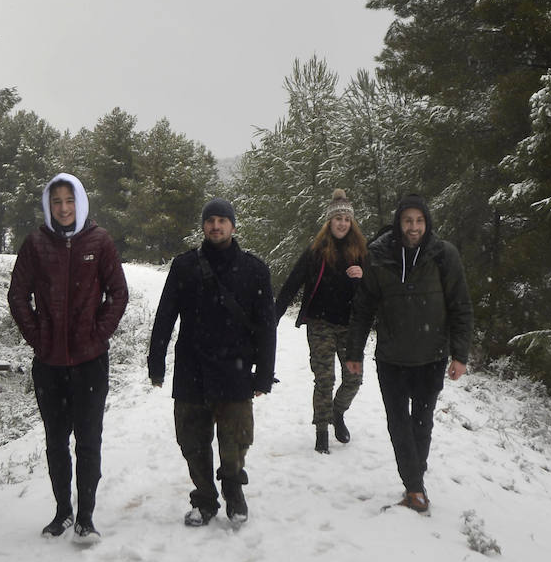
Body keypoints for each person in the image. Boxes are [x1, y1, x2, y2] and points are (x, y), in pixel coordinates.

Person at [7, 173, 128, 541]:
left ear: (80, 202)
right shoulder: (35, 244)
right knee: (56, 441)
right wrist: (38, 337)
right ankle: (62, 511)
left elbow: (118, 294)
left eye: (69, 200)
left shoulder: (99, 241)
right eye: (56, 201)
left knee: (88, 440)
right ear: (48, 205)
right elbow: (18, 296)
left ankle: (86, 517)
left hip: (90, 362)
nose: (63, 208)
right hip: (49, 365)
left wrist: (97, 334)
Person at [147, 197, 277, 526]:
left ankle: (234, 491)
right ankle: (204, 498)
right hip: (192, 368)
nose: (216, 226)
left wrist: (263, 375)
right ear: (203, 226)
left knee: (235, 439)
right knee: (193, 441)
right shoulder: (184, 265)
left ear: (233, 225)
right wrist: (156, 362)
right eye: (210, 220)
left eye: (222, 220)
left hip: (234, 370)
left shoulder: (254, 269)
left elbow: (266, 328)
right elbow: (165, 316)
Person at [345, 194, 472, 514]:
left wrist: (460, 354)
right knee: (398, 424)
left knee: (422, 423)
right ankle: (414, 487)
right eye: (407, 221)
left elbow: (460, 306)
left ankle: (415, 483)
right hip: (391, 360)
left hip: (431, 358)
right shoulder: (378, 256)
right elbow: (362, 309)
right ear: (398, 222)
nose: (413, 227)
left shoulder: (444, 256)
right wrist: (354, 352)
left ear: (426, 223)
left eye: (419, 221)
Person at [274, 188, 367, 454]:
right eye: (338, 218)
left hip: (349, 327)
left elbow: (375, 290)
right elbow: (292, 283)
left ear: (352, 223)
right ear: (330, 222)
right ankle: (322, 430)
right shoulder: (316, 252)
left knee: (354, 379)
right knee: (324, 379)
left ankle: (337, 412)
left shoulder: (361, 252)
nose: (342, 223)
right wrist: (273, 316)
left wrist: (364, 275)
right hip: (320, 325)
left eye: (347, 219)